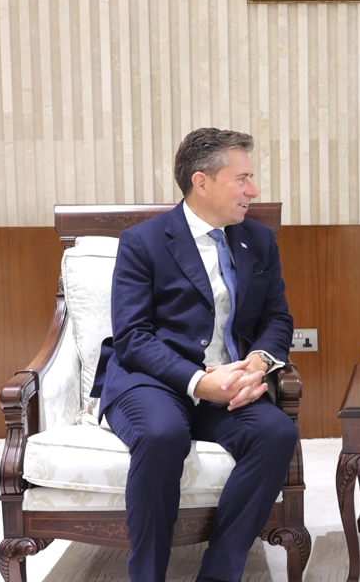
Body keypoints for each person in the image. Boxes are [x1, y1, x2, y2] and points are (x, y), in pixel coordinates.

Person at [89, 128, 297, 582]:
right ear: (201, 181)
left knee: (277, 433)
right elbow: (133, 337)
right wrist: (200, 382)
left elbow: (277, 318)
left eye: (251, 178)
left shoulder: (258, 240)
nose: (253, 190)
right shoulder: (143, 242)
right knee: (163, 435)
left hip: (229, 382)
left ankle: (219, 574)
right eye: (242, 178)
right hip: (153, 381)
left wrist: (258, 363)